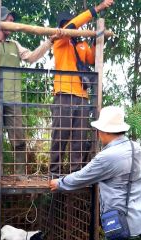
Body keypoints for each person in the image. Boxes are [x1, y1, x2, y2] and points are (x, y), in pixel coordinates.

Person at [0, 6, 61, 177]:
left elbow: (31, 58)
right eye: (9, 20)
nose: (12, 24)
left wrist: (49, 42)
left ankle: (20, 173)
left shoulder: (14, 44)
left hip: (13, 99)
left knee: (19, 138)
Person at [50, 106, 141, 239]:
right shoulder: (136, 148)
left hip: (125, 228)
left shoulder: (107, 156)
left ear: (103, 131)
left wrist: (59, 183)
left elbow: (82, 177)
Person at [50, 0, 114, 176]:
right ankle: (54, 172)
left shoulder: (81, 45)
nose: (74, 29)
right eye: (70, 26)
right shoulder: (60, 41)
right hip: (64, 94)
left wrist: (98, 40)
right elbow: (74, 24)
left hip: (82, 96)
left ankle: (75, 172)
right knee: (60, 135)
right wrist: (97, 9)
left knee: (79, 137)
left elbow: (93, 58)